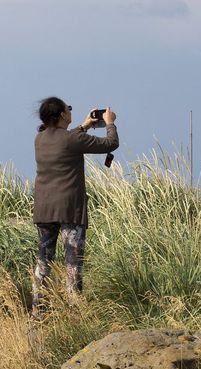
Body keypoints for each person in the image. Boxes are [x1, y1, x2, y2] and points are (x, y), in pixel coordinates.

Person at [31, 97, 119, 317]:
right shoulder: (72, 139)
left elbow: (70, 138)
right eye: (68, 109)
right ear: (62, 115)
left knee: (44, 260)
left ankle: (38, 309)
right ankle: (74, 312)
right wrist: (109, 123)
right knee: (73, 262)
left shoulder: (39, 138)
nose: (70, 112)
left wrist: (84, 125)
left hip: (44, 207)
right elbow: (111, 144)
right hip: (69, 208)